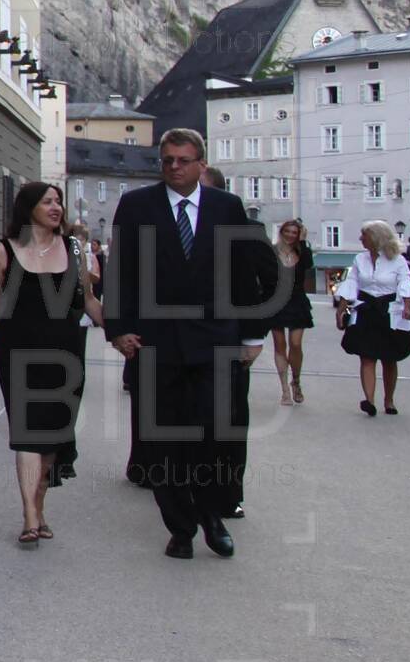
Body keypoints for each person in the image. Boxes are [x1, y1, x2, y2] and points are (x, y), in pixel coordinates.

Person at [104, 128, 275, 559]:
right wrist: (118, 328)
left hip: (215, 339)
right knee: (164, 440)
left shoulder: (226, 207)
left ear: (201, 163)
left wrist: (253, 334)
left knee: (214, 434)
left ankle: (212, 514)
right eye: (167, 160)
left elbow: (243, 274)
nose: (174, 167)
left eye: (183, 160)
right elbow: (121, 270)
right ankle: (180, 527)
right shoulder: (137, 205)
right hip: (156, 341)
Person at [0, 184, 103, 544]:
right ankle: (30, 516)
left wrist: (121, 332)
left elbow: (89, 300)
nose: (56, 207)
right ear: (28, 208)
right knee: (28, 432)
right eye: (47, 202)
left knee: (53, 438)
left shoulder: (73, 249)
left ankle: (38, 506)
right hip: (19, 352)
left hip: (65, 354)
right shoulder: (4, 251)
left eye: (58, 201)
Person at [333, 220, 410, 415]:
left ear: (376, 238)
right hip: (366, 310)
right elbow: (352, 283)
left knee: (389, 358)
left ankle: (389, 400)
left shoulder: (397, 260)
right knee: (367, 356)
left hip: (389, 312)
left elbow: (405, 282)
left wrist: (407, 307)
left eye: (364, 235)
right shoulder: (359, 259)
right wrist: (341, 309)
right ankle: (369, 400)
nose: (361, 238)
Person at [268, 219, 315, 405]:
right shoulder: (272, 251)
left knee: (295, 344)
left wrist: (302, 242)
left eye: (294, 232)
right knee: (279, 345)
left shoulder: (302, 252)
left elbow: (308, 265)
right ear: (282, 232)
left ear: (299, 235)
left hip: (297, 301)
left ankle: (296, 381)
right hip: (276, 301)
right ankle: (285, 390)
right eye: (287, 231)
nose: (290, 235)